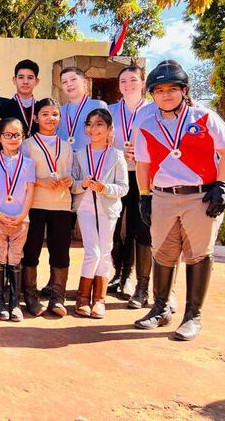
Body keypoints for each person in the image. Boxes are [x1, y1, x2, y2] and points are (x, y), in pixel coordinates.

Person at [134, 60, 225, 341]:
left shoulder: (205, 118)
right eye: (159, 90)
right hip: (164, 196)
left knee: (198, 254)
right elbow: (143, 165)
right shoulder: (145, 124)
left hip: (200, 197)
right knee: (162, 253)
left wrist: (221, 185)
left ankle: (193, 316)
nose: (166, 95)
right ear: (152, 94)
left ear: (184, 91)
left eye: (172, 89)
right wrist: (144, 196)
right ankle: (160, 308)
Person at [71, 109, 128, 319]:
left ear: (109, 129)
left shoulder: (116, 155)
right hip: (85, 208)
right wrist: (82, 185)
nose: (94, 128)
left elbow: (124, 187)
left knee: (105, 251)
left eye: (99, 124)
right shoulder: (79, 153)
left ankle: (99, 299)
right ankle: (82, 297)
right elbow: (73, 184)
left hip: (108, 209)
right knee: (92, 251)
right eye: (90, 124)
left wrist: (104, 188)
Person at [20, 98, 74, 317]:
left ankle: (57, 296)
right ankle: (31, 296)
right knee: (31, 250)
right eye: (45, 114)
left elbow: (73, 174)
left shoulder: (67, 146)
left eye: (54, 114)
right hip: (35, 204)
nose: (50, 118)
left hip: (60, 204)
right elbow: (20, 175)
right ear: (36, 118)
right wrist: (40, 181)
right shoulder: (27, 145)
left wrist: (70, 180)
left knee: (60, 250)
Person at [107, 66, 154, 307]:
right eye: (123, 81)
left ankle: (133, 279)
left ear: (143, 83)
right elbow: (102, 138)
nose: (128, 84)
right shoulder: (110, 110)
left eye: (133, 80)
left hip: (143, 176)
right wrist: (118, 151)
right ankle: (117, 273)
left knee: (138, 228)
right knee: (113, 227)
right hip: (115, 175)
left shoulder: (154, 109)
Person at [0, 117, 35, 322]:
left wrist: (23, 214)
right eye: (8, 135)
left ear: (23, 138)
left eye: (17, 135)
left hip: (20, 220)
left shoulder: (29, 163)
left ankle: (15, 302)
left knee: (15, 258)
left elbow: (30, 190)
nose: (13, 139)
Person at [58, 67, 107, 148]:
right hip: (64, 158)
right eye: (64, 82)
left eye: (73, 79)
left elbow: (109, 136)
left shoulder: (98, 106)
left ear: (84, 82)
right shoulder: (60, 111)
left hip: (90, 158)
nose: (69, 84)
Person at [0, 60, 41, 137]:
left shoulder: (41, 108)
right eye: (21, 77)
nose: (25, 82)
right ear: (14, 80)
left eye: (30, 78)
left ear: (36, 81)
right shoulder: (2, 107)